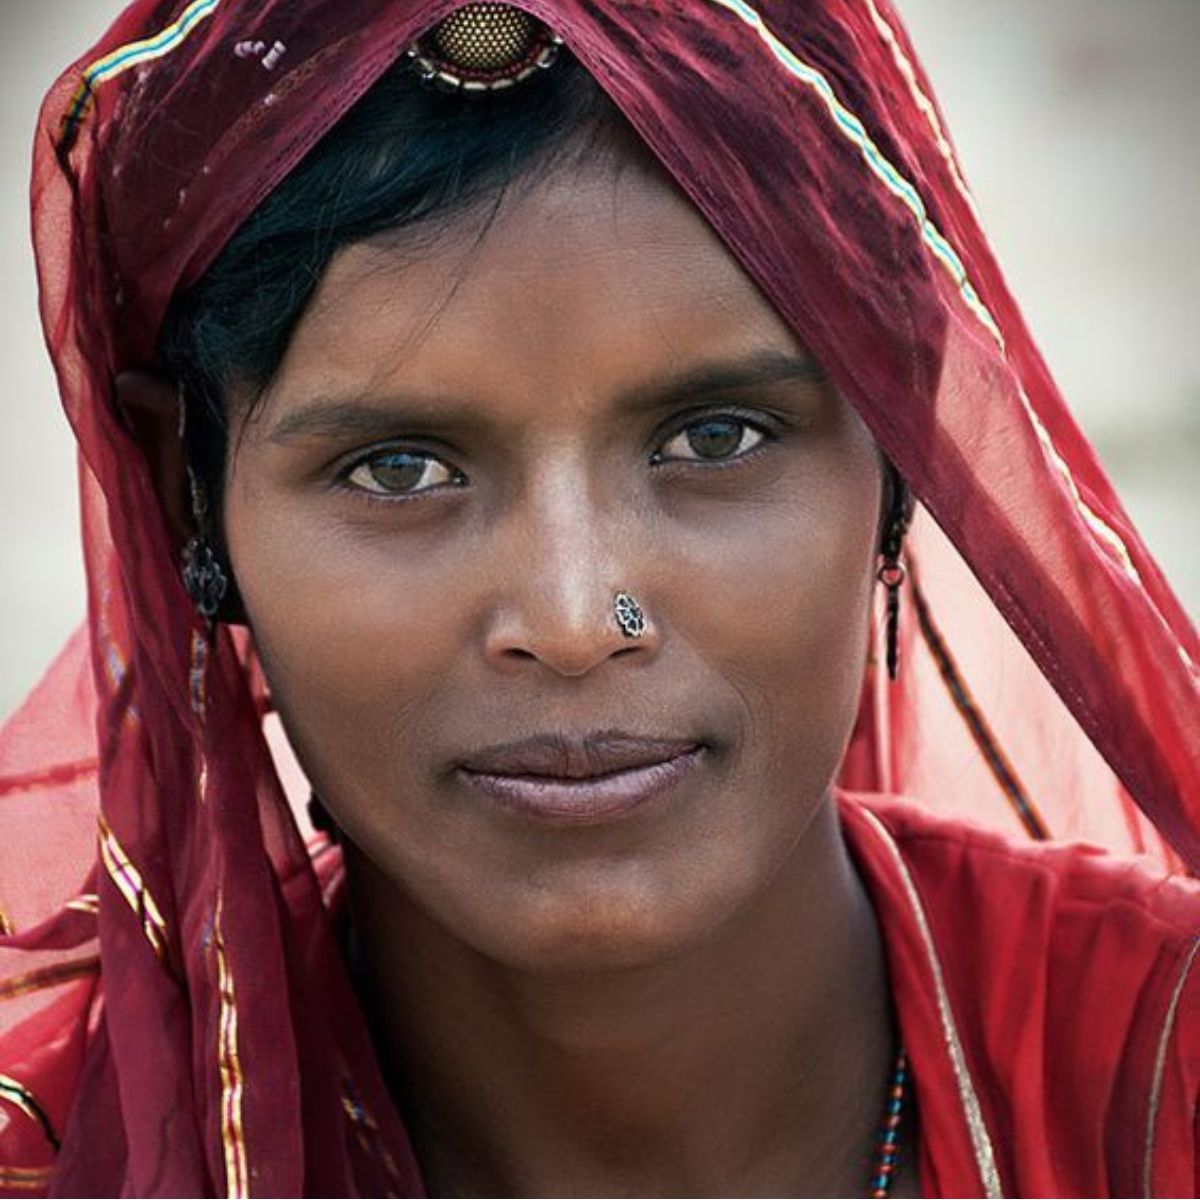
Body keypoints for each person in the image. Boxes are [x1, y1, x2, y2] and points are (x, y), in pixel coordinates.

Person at [1, 0, 1196, 1195]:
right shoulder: (69, 1163)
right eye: (400, 468)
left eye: (715, 437)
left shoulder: (1165, 1082)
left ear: (902, 447)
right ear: (185, 499)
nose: (576, 623)